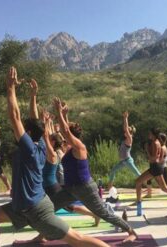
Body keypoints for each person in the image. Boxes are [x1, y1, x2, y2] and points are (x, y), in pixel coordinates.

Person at [0, 67, 109, 247]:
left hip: (37, 209)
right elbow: (36, 123)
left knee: (77, 239)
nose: (18, 130)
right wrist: (33, 96)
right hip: (20, 207)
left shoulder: (29, 148)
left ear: (28, 133)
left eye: (24, 129)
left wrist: (10, 88)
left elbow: (15, 117)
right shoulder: (41, 144)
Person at [51, 97, 137, 243]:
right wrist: (65, 115)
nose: (63, 137)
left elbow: (66, 131)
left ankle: (131, 231)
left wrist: (59, 112)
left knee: (103, 213)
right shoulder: (71, 147)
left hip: (85, 188)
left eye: (67, 136)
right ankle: (45, 233)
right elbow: (67, 130)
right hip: (71, 188)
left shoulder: (79, 147)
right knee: (49, 206)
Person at [135, 127, 167, 215]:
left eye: (150, 133)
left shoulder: (156, 143)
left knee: (138, 181)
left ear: (153, 134)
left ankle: (138, 201)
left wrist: (147, 151)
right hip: (155, 167)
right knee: (165, 188)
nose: (148, 135)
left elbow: (154, 158)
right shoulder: (154, 142)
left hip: (155, 167)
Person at [108, 111, 141, 190]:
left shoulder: (130, 139)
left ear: (130, 133)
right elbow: (125, 129)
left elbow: (126, 129)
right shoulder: (126, 139)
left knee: (138, 174)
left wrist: (125, 118)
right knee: (113, 171)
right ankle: (109, 188)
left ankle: (148, 186)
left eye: (127, 131)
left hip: (128, 161)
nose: (125, 132)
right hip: (123, 162)